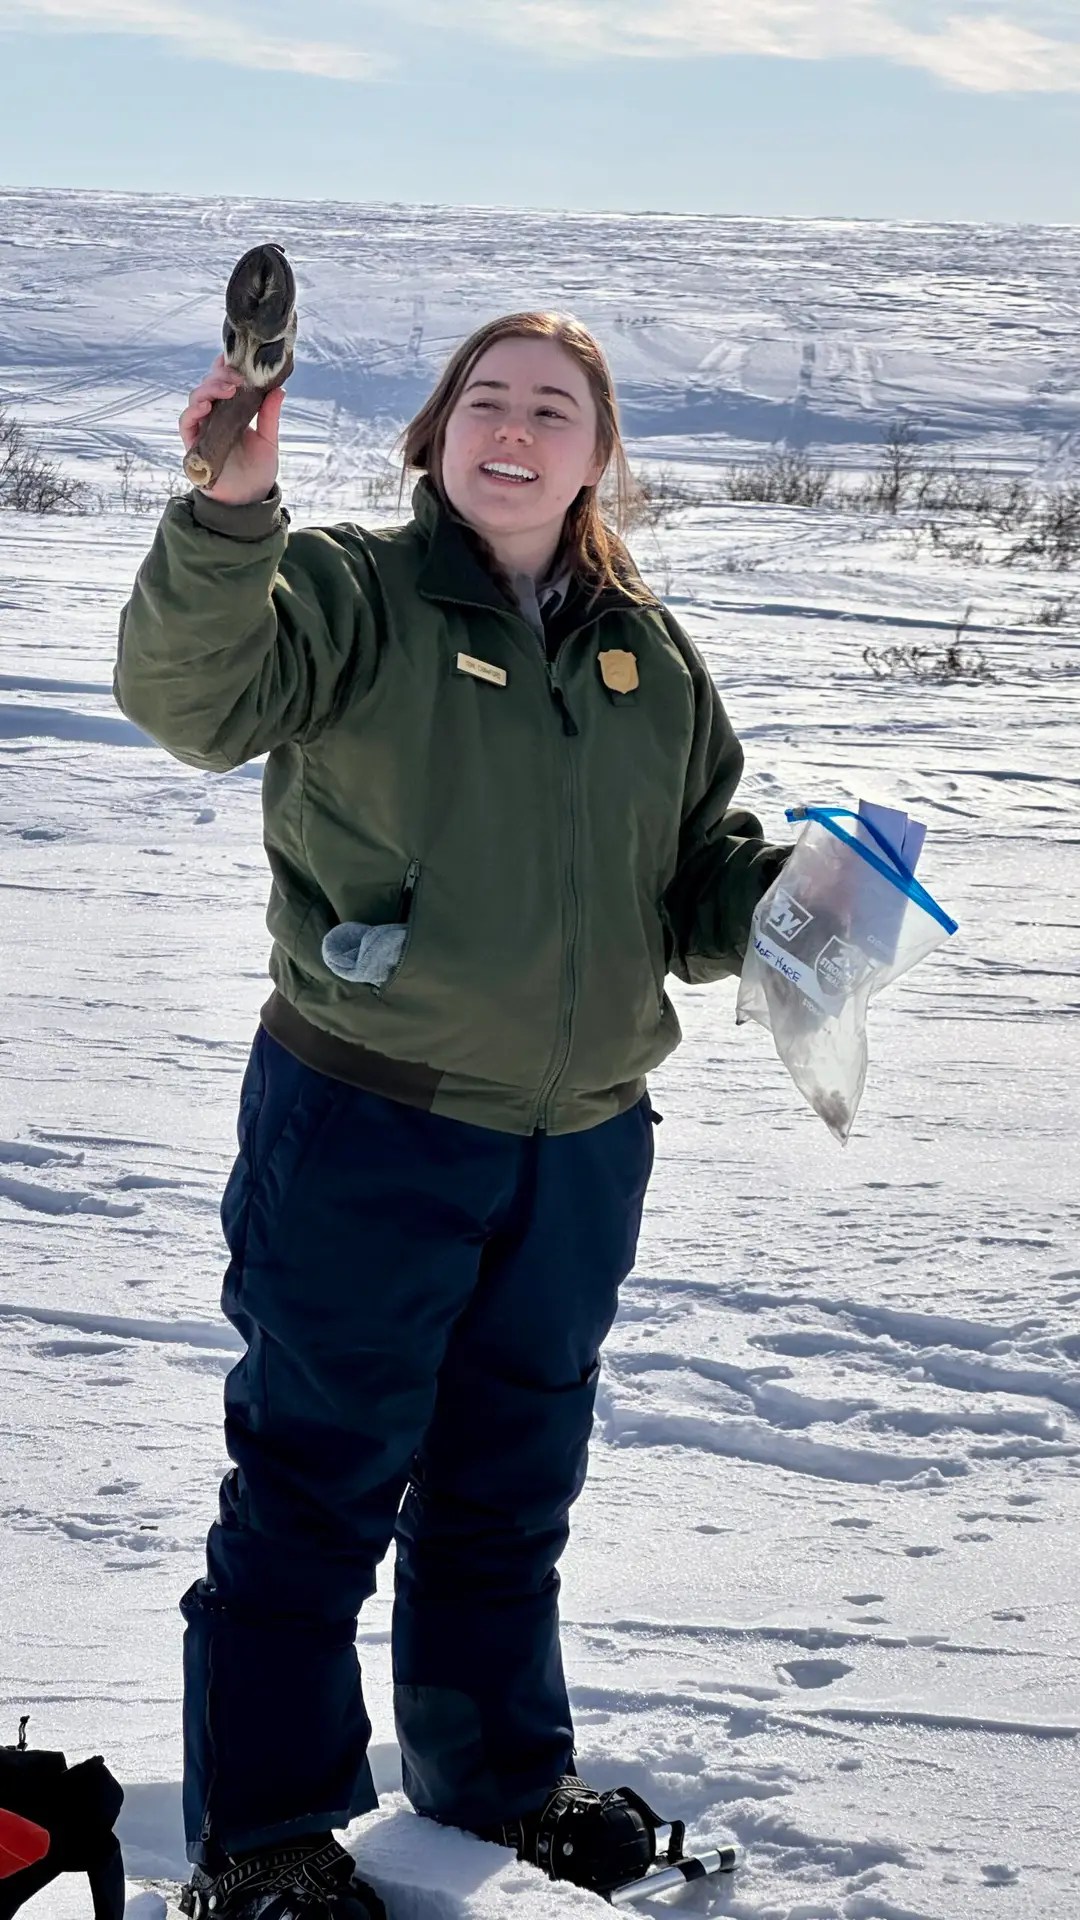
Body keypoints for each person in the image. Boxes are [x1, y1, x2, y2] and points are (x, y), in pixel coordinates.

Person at [114, 310, 789, 1920]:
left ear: (597, 450)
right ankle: (263, 1836)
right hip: (370, 1117)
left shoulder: (646, 652)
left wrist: (789, 903)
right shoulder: (353, 595)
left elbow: (692, 884)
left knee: (508, 1484)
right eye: (483, 399)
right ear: (434, 433)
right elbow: (190, 698)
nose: (515, 427)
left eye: (553, 406)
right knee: (315, 1485)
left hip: (579, 1144)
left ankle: (494, 1790)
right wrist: (226, 512)